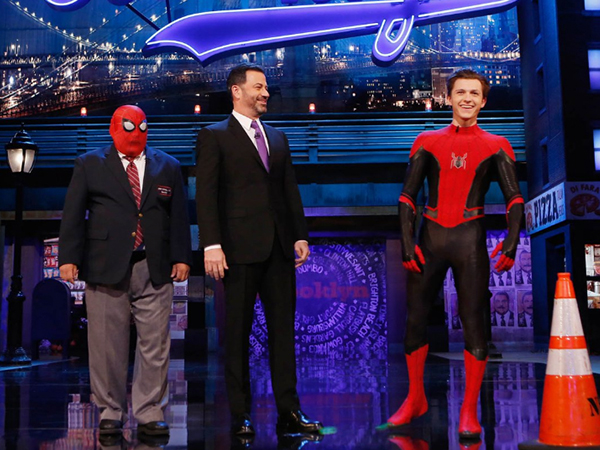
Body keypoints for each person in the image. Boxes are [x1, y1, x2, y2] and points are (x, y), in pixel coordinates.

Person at [387, 69, 524, 440]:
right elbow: (407, 195)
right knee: (415, 319)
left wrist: (512, 240)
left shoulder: (497, 144)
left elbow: (514, 198)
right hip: (430, 238)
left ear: (483, 101)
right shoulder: (427, 140)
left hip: (469, 240)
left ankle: (468, 411)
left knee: (474, 322)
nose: (467, 98)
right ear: (448, 98)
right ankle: (415, 398)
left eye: (474, 93)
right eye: (460, 92)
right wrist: (406, 241)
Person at [195, 64, 323, 437]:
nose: (266, 93)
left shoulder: (278, 137)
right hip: (237, 250)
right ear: (237, 91)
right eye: (258, 87)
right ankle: (240, 415)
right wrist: (212, 244)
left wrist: (299, 234)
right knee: (237, 335)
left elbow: (289, 189)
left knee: (283, 332)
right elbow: (206, 195)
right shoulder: (214, 135)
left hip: (279, 249)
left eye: (266, 88)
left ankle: (289, 411)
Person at [59, 105, 192, 438]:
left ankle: (150, 412)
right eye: (129, 126)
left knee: (155, 344)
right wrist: (68, 258)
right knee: (106, 344)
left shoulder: (168, 165)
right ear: (114, 128)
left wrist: (182, 257)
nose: (136, 132)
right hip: (105, 265)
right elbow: (73, 214)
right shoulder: (90, 163)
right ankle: (110, 411)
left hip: (154, 264)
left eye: (142, 126)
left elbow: (179, 216)